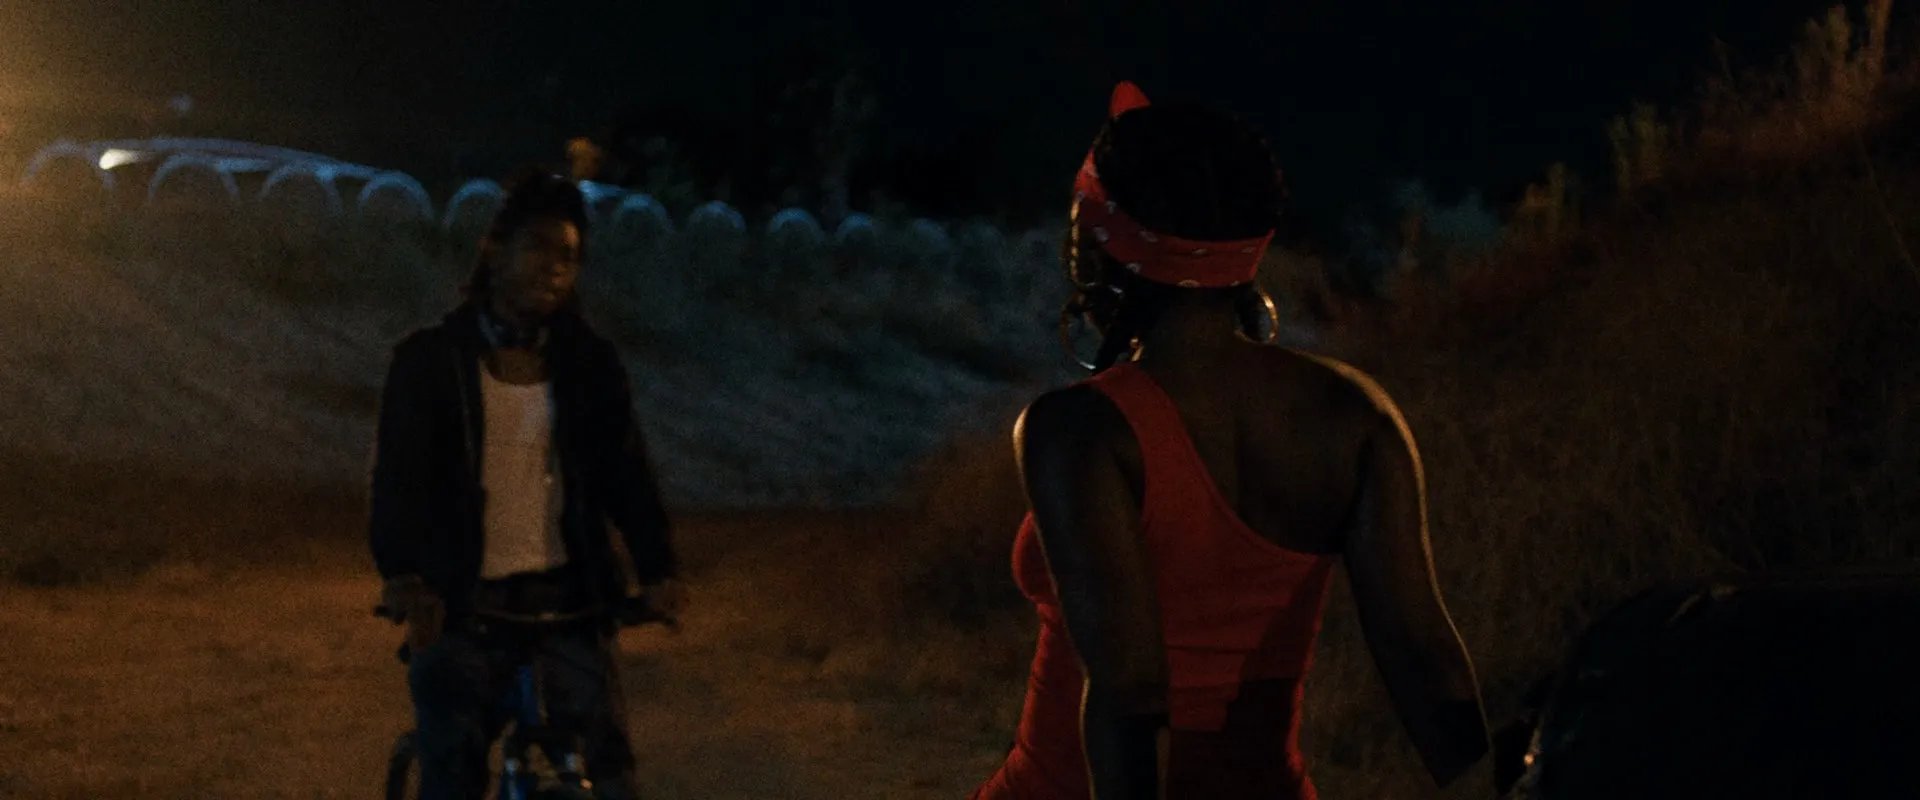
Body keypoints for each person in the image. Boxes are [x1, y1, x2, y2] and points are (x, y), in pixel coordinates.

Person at [970, 83, 1492, 800]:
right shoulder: (1355, 415)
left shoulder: (1078, 429)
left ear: (1100, 253)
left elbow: (1131, 694)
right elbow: (1423, 657)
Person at [367, 168, 685, 800]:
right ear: (494, 250)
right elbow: (398, 480)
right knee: (452, 773)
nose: (554, 266)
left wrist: (658, 569)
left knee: (610, 776)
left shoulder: (591, 364)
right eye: (537, 246)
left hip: (571, 603)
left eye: (569, 255)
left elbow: (626, 473)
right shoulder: (430, 361)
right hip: (462, 606)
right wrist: (403, 576)